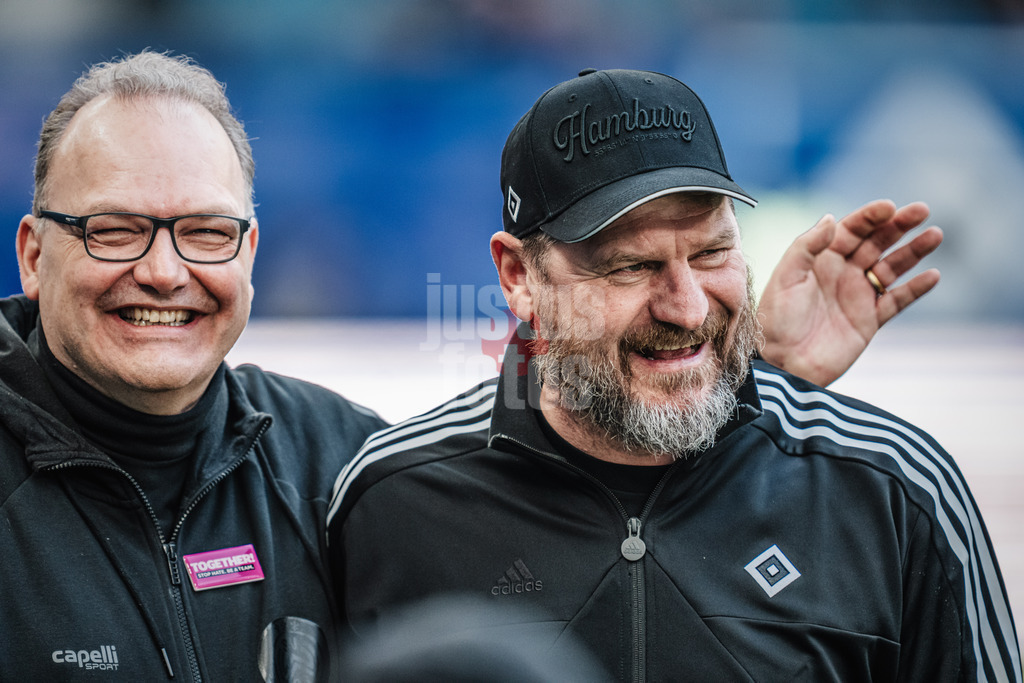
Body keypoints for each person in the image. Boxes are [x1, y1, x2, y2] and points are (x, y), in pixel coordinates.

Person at [0, 52, 940, 680]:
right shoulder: (386, 489)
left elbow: (625, 422)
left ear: (249, 253)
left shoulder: (340, 463)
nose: (165, 269)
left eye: (206, 232)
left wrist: (748, 375)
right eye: (116, 228)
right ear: (35, 255)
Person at [327, 68, 1020, 681]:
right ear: (519, 277)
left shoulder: (896, 488)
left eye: (714, 251)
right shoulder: (391, 499)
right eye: (632, 265)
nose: (686, 306)